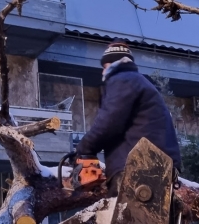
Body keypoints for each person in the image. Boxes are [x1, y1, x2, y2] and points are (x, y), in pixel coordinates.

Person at [73, 41, 182, 194]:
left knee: (128, 217)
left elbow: (109, 122)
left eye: (104, 67)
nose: (102, 72)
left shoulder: (123, 79)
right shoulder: (139, 81)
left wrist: (83, 149)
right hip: (156, 167)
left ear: (112, 64)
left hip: (137, 170)